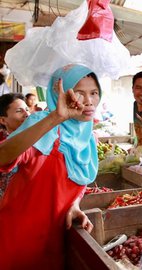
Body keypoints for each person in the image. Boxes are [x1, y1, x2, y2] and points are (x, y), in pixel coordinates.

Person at [0, 64, 96, 269]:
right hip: (19, 241)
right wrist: (56, 117)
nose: (89, 101)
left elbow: (77, 181)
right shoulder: (42, 124)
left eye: (94, 93)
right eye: (80, 93)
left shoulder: (87, 136)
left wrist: (75, 205)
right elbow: (3, 156)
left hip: (53, 242)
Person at [0, 93, 30, 198]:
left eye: (27, 109)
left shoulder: (35, 139)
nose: (27, 114)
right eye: (19, 111)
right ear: (3, 120)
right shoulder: (3, 145)